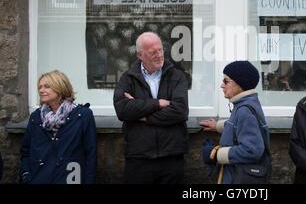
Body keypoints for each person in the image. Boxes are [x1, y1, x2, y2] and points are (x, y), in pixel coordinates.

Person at [113, 32, 189, 184]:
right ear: (140, 55)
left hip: (171, 156)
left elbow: (180, 111)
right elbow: (122, 110)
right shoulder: (128, 78)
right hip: (139, 157)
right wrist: (157, 103)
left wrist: (143, 115)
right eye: (153, 52)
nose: (159, 55)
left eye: (161, 50)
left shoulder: (177, 76)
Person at [199, 61, 271, 184]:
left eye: (226, 81)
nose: (222, 85)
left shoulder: (244, 110)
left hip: (238, 178)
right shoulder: (245, 104)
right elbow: (240, 125)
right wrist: (218, 126)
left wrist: (216, 154)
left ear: (240, 83)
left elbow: (252, 150)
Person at [20, 70, 97, 184]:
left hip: (70, 179)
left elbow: (91, 154)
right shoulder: (35, 117)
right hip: (39, 178)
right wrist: (26, 175)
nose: (41, 90)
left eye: (47, 86)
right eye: (40, 87)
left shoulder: (82, 115)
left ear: (60, 88)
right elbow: (25, 151)